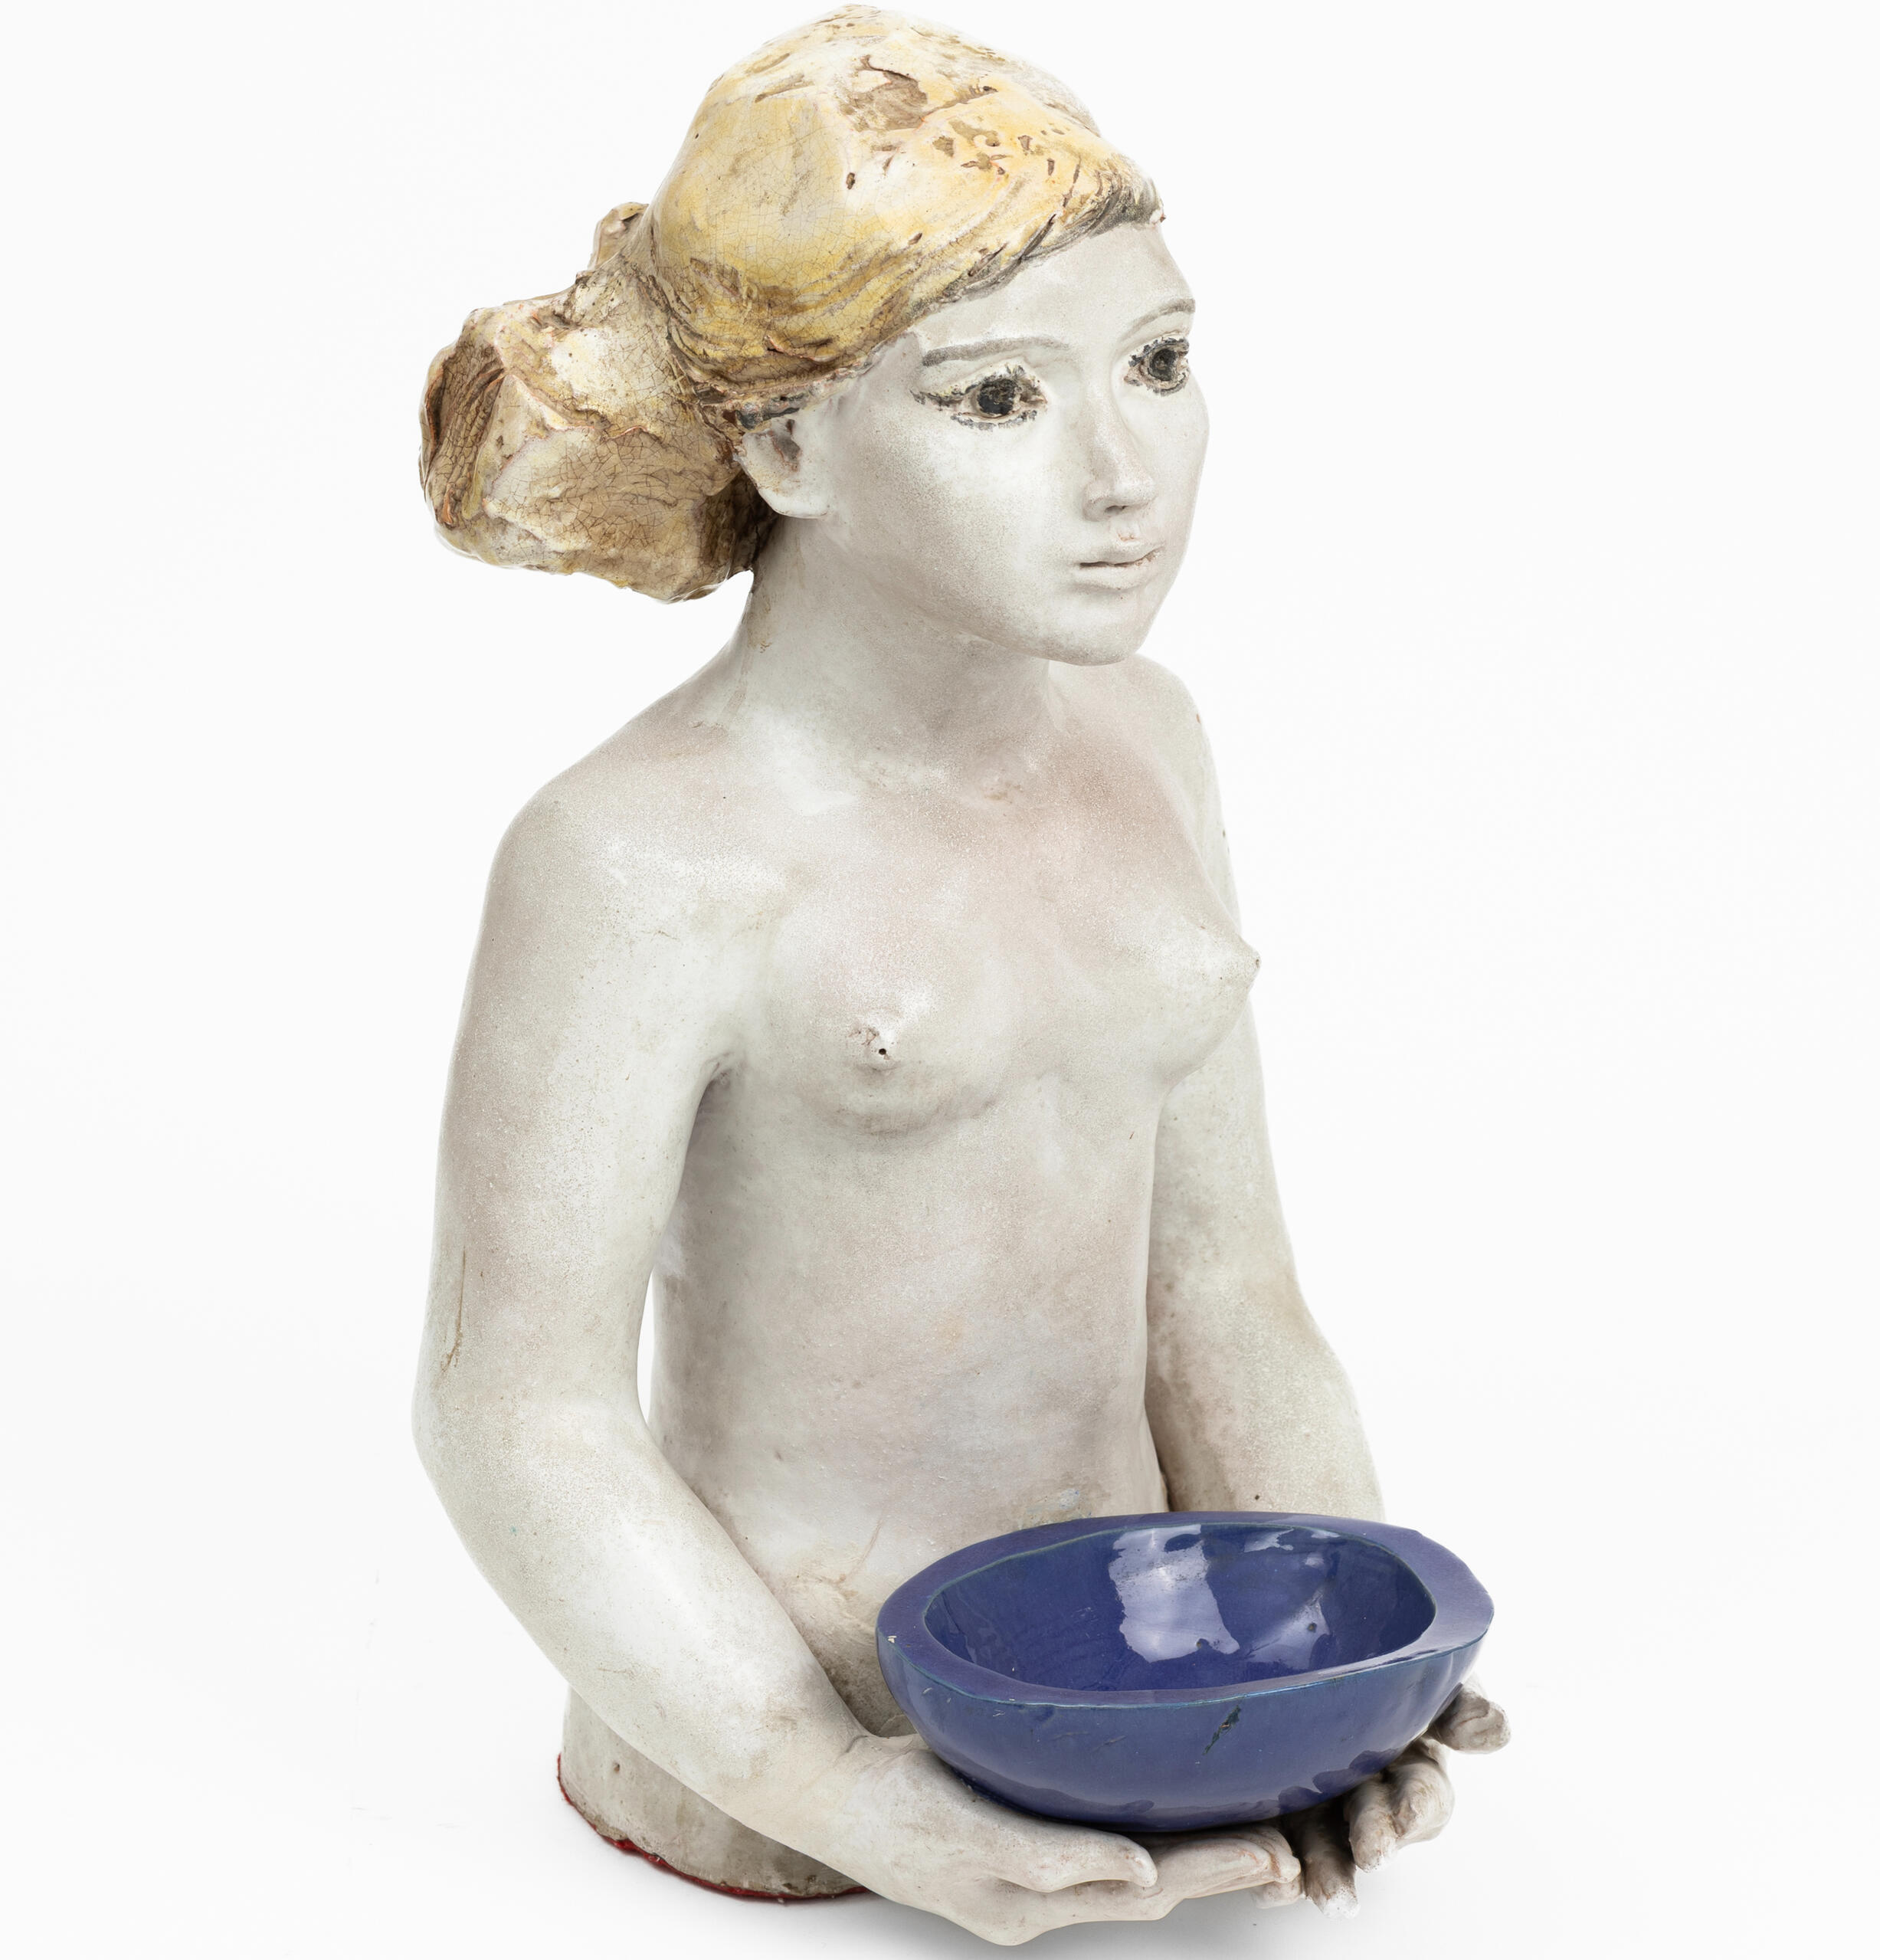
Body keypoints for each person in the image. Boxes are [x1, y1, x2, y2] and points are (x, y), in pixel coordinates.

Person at [414, 8, 1506, 1942]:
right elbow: (516, 1408)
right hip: (779, 1728)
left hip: (1141, 1666)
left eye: (1160, 364)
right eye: (999, 398)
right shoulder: (645, 859)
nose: (1124, 473)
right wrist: (829, 1782)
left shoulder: (1150, 740)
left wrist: (1340, 1651)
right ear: (788, 443)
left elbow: (1225, 1287)